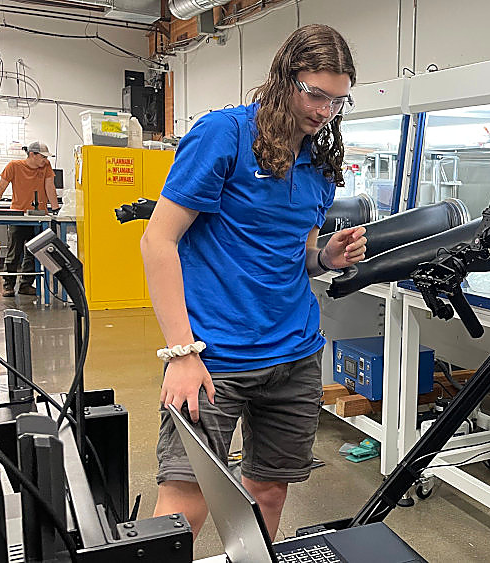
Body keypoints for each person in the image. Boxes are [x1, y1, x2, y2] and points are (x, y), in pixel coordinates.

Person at [141, 24, 366, 539]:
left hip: (294, 357)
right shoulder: (225, 135)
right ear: (285, 77)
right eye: (315, 94)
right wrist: (181, 353)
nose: (323, 111)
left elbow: (296, 252)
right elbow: (158, 242)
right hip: (214, 355)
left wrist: (326, 256)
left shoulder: (320, 160)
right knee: (185, 500)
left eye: (337, 101)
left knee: (269, 490)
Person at [0, 141, 60, 297]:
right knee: (14, 252)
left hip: (39, 217)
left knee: (33, 252)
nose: (45, 160)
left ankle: (26, 285)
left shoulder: (46, 166)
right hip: (18, 215)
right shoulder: (14, 166)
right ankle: (8, 285)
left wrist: (55, 210)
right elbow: (1, 187)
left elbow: (50, 187)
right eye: (42, 157)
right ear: (32, 154)